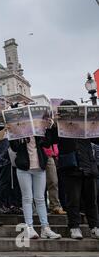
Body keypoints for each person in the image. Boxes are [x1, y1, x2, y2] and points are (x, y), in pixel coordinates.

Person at [50, 100, 99, 240]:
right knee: (73, 199)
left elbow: (97, 139)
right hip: (70, 168)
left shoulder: (84, 125)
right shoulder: (59, 127)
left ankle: (94, 227)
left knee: (91, 200)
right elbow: (49, 141)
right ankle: (74, 227)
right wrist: (54, 124)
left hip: (88, 165)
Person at [8, 123, 61, 239]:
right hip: (24, 168)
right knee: (27, 198)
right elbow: (14, 147)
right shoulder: (18, 129)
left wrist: (50, 127)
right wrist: (13, 131)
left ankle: (45, 228)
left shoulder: (38, 128)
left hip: (39, 167)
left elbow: (49, 143)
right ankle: (29, 227)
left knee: (40, 198)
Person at [0, 130, 22, 214]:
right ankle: (4, 204)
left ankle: (12, 204)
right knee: (5, 178)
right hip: (3, 145)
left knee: (13, 178)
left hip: (10, 143)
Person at [43, 144, 66, 215]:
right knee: (40, 185)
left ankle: (54, 206)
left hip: (51, 155)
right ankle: (41, 207)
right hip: (38, 153)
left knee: (53, 181)